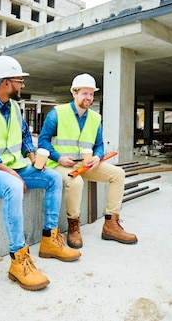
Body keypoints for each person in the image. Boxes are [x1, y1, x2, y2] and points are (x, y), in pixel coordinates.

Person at [0, 55, 80, 291]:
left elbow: (24, 137)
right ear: (5, 82)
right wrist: (13, 175)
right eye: (18, 81)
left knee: (52, 177)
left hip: (11, 166)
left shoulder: (13, 107)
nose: (22, 85)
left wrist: (33, 159)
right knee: (13, 187)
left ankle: (49, 240)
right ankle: (18, 260)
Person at [38, 73, 137, 249]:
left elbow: (99, 145)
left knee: (118, 174)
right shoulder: (57, 113)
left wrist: (97, 157)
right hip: (60, 164)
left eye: (91, 94)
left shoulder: (95, 118)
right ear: (74, 93)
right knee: (76, 183)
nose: (88, 98)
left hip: (85, 164)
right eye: (84, 93)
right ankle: (74, 226)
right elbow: (43, 141)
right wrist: (59, 157)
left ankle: (111, 225)